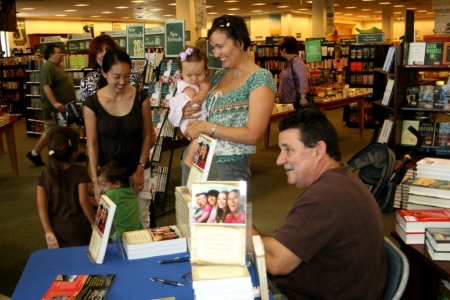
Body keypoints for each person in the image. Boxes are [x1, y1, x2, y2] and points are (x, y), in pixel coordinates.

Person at [252, 110, 387, 299]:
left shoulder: (322, 198)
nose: (279, 159)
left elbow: (277, 262)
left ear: (319, 150)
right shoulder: (343, 178)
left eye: (288, 149)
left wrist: (244, 228)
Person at [182, 15, 277, 184]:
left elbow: (253, 135)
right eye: (213, 47)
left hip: (228, 167)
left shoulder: (260, 79)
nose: (216, 54)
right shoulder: (219, 76)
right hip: (198, 159)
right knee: (188, 209)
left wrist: (207, 127)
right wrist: (187, 111)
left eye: (220, 46)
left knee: (219, 212)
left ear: (240, 43)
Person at [84, 49, 155, 229]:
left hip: (137, 171)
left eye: (127, 75)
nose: (122, 82)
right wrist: (95, 182)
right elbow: (92, 144)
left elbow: (148, 135)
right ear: (104, 72)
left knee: (140, 221)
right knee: (112, 225)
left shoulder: (141, 98)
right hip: (108, 177)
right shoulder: (92, 104)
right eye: (116, 76)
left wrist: (140, 169)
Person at [36, 127, 95, 249]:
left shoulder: (44, 174)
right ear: (75, 151)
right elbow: (83, 200)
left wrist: (48, 231)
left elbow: (41, 205)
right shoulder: (80, 171)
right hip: (79, 229)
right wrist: (93, 222)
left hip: (56, 229)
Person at [27, 44, 78, 166]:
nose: (62, 55)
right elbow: (46, 86)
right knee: (51, 131)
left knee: (70, 129)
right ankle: (34, 153)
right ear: (51, 55)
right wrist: (55, 103)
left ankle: (72, 152)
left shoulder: (56, 66)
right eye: (59, 52)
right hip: (55, 109)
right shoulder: (47, 67)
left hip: (65, 107)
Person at [168, 46, 210, 168]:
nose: (194, 78)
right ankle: (189, 158)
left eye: (199, 74)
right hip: (188, 121)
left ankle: (196, 158)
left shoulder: (195, 83)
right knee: (203, 137)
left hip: (194, 118)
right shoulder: (186, 87)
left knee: (203, 137)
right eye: (189, 75)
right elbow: (197, 100)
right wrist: (204, 89)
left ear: (205, 70)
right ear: (181, 73)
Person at [80, 35, 142, 102]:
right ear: (94, 56)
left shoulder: (133, 75)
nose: (105, 54)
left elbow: (141, 101)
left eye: (108, 49)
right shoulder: (87, 82)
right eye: (99, 51)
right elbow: (86, 108)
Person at [97, 161, 143, 241]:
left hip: (120, 236)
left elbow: (102, 216)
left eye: (104, 185)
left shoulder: (111, 193)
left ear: (117, 184)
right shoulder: (130, 190)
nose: (101, 188)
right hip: (137, 232)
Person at [278, 36, 310, 110]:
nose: (279, 51)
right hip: (287, 101)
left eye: (280, 48)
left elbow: (303, 79)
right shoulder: (289, 61)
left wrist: (303, 97)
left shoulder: (297, 61)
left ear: (285, 49)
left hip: (294, 101)